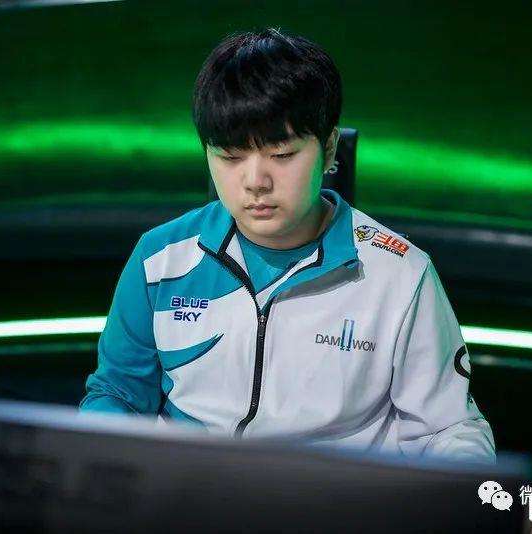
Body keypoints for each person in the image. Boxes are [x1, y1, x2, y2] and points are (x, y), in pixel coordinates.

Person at [79, 27, 496, 464]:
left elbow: (448, 429)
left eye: (281, 155)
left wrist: (478, 489)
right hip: (188, 492)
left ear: (329, 148)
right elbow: (118, 394)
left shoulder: (401, 276)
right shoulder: (160, 259)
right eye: (230, 157)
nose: (255, 181)